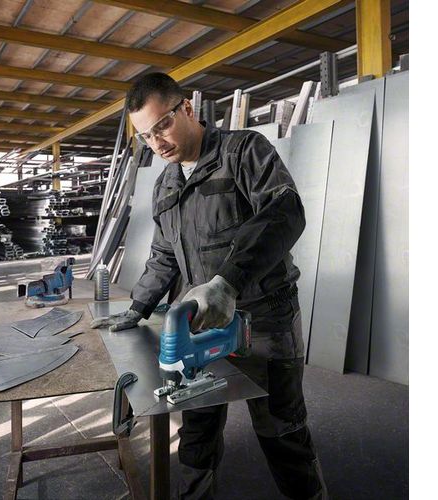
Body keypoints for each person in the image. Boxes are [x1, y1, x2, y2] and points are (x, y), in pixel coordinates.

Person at [91, 72, 327, 500]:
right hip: (202, 328)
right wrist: (138, 306)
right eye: (146, 136)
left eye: (162, 125)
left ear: (187, 108)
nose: (157, 142)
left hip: (263, 321)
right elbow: (164, 255)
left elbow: (285, 211)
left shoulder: (243, 151)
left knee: (281, 431)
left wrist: (227, 282)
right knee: (197, 427)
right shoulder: (165, 183)